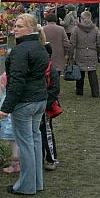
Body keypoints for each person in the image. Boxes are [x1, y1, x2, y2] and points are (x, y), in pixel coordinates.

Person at [0, 14, 48, 195]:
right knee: (34, 141)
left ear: (31, 28)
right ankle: (36, 183)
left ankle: (26, 185)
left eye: (19, 26)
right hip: (39, 100)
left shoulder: (21, 50)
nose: (15, 29)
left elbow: (17, 81)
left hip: (26, 103)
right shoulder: (40, 47)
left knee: (26, 144)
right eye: (15, 26)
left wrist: (6, 108)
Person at [40, 27, 61, 172]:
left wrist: (45, 104)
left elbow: (55, 89)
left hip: (46, 106)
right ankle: (40, 157)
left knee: (46, 133)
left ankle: (51, 158)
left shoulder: (50, 69)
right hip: (38, 104)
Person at [70, 11, 100, 97]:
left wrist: (71, 55)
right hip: (92, 53)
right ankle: (95, 92)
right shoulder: (95, 29)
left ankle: (79, 91)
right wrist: (97, 52)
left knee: (80, 72)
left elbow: (72, 44)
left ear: (81, 18)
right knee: (92, 72)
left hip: (80, 53)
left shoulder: (76, 29)